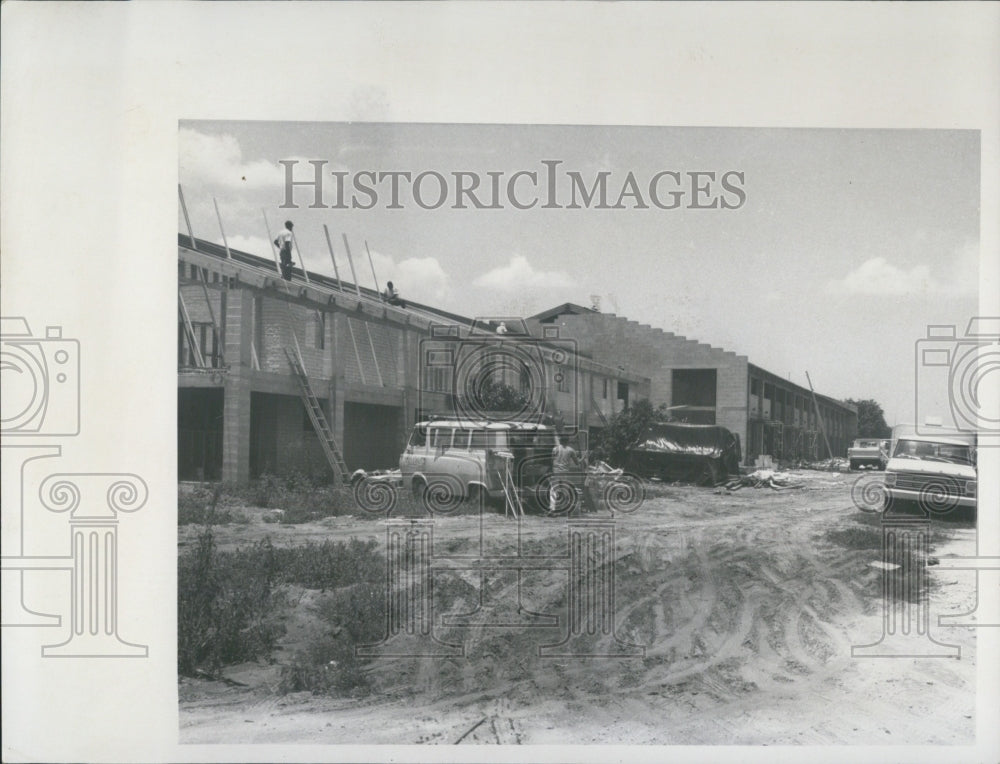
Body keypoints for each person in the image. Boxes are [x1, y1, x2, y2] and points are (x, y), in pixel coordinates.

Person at [549, 434, 583, 514]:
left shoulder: (555, 449)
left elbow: (551, 460)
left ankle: (552, 509)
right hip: (565, 472)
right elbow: (577, 463)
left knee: (553, 490)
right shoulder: (571, 450)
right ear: (568, 441)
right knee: (565, 490)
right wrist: (583, 458)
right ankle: (566, 509)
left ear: (560, 440)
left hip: (556, 472)